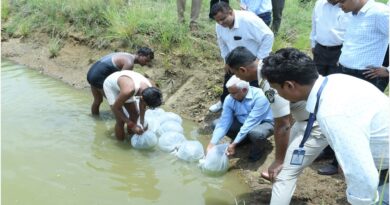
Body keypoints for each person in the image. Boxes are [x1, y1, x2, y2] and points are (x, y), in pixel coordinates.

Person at [261, 47, 389, 205]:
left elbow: (363, 176)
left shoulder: (332, 112)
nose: (278, 95)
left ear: (289, 85)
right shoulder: (335, 80)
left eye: (276, 89)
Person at [226, 46, 329, 205]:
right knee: (286, 166)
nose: (236, 77)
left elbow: (283, 124)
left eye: (235, 73)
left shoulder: (268, 80)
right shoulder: (267, 69)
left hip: (316, 125)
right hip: (303, 121)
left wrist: (279, 160)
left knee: (284, 174)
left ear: (242, 70)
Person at [208, 2, 274, 113]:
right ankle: (224, 103)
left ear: (230, 12)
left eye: (223, 19)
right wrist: (226, 61)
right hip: (234, 60)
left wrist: (260, 59)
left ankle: (256, 111)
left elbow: (268, 36)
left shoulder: (248, 20)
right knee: (228, 82)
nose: (220, 23)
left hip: (252, 61)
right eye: (217, 20)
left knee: (255, 87)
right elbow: (222, 43)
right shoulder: (219, 25)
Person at [207, 75, 274, 161]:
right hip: (242, 122)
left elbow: (251, 123)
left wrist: (233, 144)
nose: (231, 96)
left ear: (244, 90)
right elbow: (224, 123)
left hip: (263, 123)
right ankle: (243, 140)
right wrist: (212, 144)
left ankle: (256, 154)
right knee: (216, 124)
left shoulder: (260, 97)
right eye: (229, 93)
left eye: (234, 93)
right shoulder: (229, 98)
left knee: (256, 133)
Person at [337, 0, 389, 92]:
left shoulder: (380, 12)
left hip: (365, 76)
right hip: (343, 72)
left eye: (342, 1)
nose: (339, 5)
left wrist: (388, 70)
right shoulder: (352, 13)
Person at [86, 47, 154, 115]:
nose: (146, 63)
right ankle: (120, 120)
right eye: (146, 60)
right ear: (140, 55)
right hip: (99, 76)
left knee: (98, 100)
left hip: (92, 73)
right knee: (117, 102)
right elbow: (121, 81)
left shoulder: (126, 55)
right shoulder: (129, 63)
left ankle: (95, 119)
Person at [103, 70, 162, 141]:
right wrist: (132, 125)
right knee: (120, 120)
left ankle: (130, 137)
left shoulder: (152, 89)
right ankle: (121, 143)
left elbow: (142, 104)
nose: (146, 106)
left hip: (127, 83)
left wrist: (141, 122)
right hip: (111, 85)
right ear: (142, 98)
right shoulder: (129, 91)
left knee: (135, 114)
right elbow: (116, 108)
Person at [310, 0, 351, 76]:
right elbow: (314, 25)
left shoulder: (348, 6)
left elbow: (351, 32)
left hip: (339, 51)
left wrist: (345, 54)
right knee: (316, 79)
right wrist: (313, 44)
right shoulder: (319, 3)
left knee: (334, 80)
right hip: (320, 50)